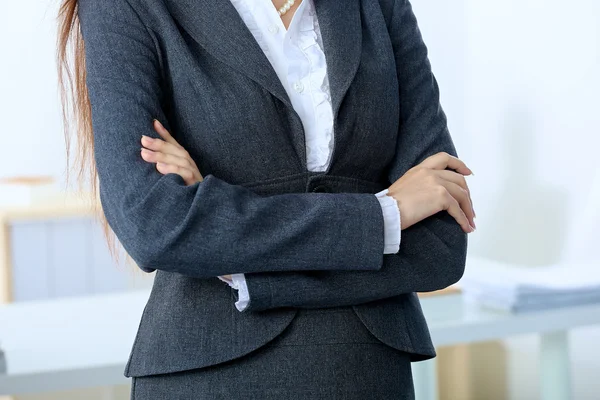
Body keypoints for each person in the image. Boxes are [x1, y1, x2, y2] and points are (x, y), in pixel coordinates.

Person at [57, 0, 475, 398]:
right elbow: (155, 224)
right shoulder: (129, 6)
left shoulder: (377, 6)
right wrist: (385, 215)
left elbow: (439, 245)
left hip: (368, 372)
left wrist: (234, 257)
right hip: (209, 375)